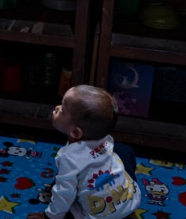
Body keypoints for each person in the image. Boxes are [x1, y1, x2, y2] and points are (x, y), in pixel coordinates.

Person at [27, 85, 141, 219]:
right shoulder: (105, 137)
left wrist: (49, 216)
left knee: (58, 188)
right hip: (129, 202)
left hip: (98, 215)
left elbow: (63, 196)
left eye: (62, 110)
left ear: (75, 132)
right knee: (124, 150)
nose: (57, 108)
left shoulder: (69, 158)